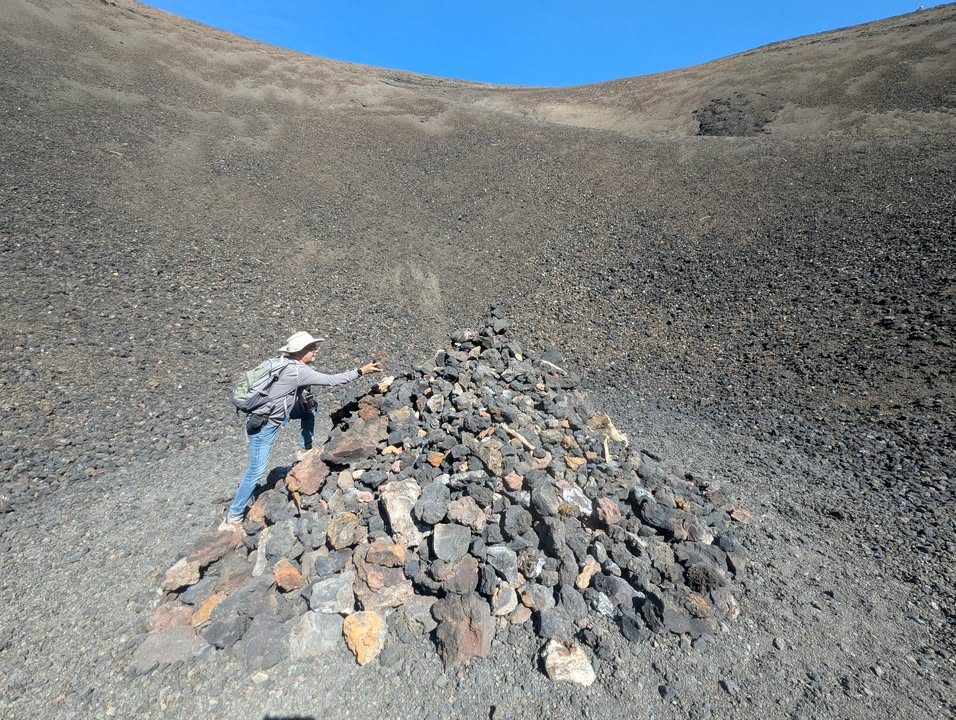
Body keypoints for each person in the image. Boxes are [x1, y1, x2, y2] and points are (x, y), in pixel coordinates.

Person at [220, 331, 383, 530]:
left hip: (275, 414)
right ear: (299, 351)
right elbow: (332, 380)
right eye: (311, 348)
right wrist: (361, 371)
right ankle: (233, 517)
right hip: (265, 424)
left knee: (309, 409)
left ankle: (305, 448)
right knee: (256, 471)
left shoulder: (282, 362)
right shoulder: (298, 371)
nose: (316, 350)